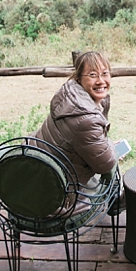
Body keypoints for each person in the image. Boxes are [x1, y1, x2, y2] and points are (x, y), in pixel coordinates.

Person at [32, 51, 118, 187]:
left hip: (39, 166)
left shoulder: (69, 93)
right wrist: (110, 146)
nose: (101, 80)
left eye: (105, 73)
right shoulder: (86, 119)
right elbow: (105, 165)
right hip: (61, 189)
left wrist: (104, 144)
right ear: (78, 78)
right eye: (92, 75)